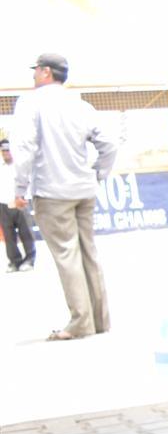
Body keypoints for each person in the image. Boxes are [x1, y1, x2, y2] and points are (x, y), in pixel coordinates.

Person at [11, 53, 116, 340]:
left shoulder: (30, 103)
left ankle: (80, 322)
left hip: (51, 191)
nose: (33, 75)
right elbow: (109, 143)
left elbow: (24, 148)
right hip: (84, 189)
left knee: (68, 255)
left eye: (36, 70)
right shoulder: (80, 104)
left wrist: (19, 190)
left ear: (46, 72)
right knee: (89, 253)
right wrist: (97, 174)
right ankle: (100, 320)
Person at [0, 140, 37, 272]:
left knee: (26, 232)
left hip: (20, 202)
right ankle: (14, 261)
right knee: (8, 235)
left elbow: (28, 181)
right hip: (4, 203)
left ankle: (29, 259)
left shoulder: (19, 166)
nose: (6, 153)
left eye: (8, 150)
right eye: (3, 151)